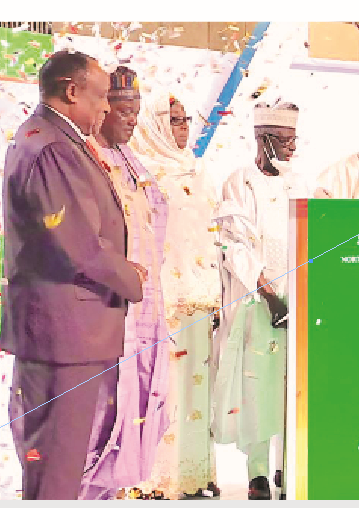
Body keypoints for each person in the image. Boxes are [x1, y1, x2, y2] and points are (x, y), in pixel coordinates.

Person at [1, 50, 145, 500]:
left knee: (57, 464)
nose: (105, 108)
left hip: (67, 330)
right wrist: (133, 277)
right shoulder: (51, 148)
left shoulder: (52, 139)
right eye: (101, 97)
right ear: (71, 91)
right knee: (56, 469)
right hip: (65, 333)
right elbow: (78, 244)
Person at [75, 66, 170, 500]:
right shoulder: (83, 160)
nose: (131, 119)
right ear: (101, 109)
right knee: (100, 412)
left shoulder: (134, 163)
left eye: (136, 111)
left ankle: (110, 494)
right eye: (123, 110)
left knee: (135, 405)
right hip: (107, 312)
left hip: (144, 309)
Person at [212, 102, 308, 500]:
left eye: (293, 140)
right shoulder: (241, 182)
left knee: (291, 386)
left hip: (298, 299)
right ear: (263, 140)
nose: (291, 149)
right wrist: (269, 293)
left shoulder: (297, 182)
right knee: (257, 386)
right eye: (284, 142)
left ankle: (290, 466)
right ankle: (257, 473)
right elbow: (234, 245)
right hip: (258, 301)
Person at [128, 91, 221, 499]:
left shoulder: (194, 171)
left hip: (200, 298)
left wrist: (215, 294)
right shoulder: (143, 173)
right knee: (163, 389)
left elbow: (210, 237)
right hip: (162, 300)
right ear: (156, 125)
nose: (184, 128)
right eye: (176, 120)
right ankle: (155, 480)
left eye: (185, 120)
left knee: (197, 387)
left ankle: (194, 476)